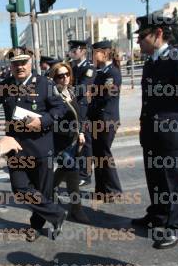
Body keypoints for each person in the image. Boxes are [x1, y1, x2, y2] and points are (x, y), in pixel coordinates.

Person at [0, 47, 68, 241]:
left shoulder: (44, 83)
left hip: (41, 146)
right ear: (11, 66)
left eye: (23, 62)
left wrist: (43, 121)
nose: (19, 67)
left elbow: (60, 108)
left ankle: (37, 226)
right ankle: (57, 213)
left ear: (31, 63)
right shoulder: (7, 85)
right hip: (16, 147)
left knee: (42, 192)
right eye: (15, 63)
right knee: (20, 188)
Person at [132, 14, 178, 249]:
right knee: (155, 178)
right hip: (152, 132)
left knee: (175, 181)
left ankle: (175, 227)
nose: (139, 42)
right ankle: (158, 215)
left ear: (159, 33)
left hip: (173, 131)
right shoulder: (151, 62)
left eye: (142, 36)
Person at [49, 63, 89, 224]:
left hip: (73, 140)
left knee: (65, 169)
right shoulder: (52, 95)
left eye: (67, 74)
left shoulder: (70, 92)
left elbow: (78, 115)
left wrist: (80, 132)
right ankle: (76, 210)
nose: (64, 77)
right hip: (59, 142)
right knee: (72, 170)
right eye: (60, 75)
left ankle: (48, 190)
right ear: (53, 78)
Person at [89, 40, 123, 202]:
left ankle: (114, 190)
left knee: (104, 154)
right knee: (98, 155)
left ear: (104, 52)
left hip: (106, 119)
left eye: (95, 52)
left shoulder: (112, 73)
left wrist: (92, 101)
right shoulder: (101, 71)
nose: (93, 56)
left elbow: (106, 96)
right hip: (97, 118)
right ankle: (101, 189)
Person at [68, 40, 96, 187]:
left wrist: (67, 92)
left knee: (85, 143)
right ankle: (77, 171)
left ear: (83, 50)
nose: (72, 51)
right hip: (72, 108)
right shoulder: (71, 66)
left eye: (75, 49)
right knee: (75, 141)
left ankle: (85, 174)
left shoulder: (89, 67)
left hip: (83, 108)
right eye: (71, 48)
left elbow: (83, 86)